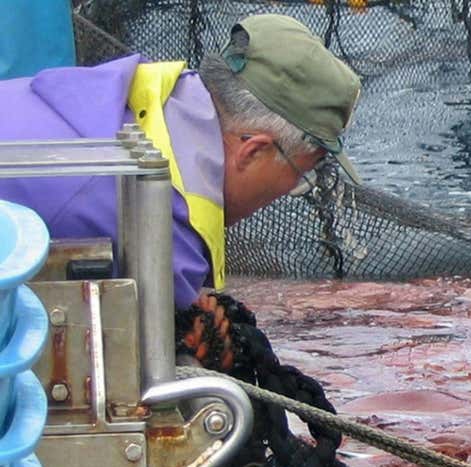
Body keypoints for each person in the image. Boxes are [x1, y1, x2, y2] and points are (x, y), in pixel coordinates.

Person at [0, 14, 362, 311]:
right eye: (303, 174)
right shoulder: (159, 241)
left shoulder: (123, 89)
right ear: (253, 151)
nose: (293, 190)